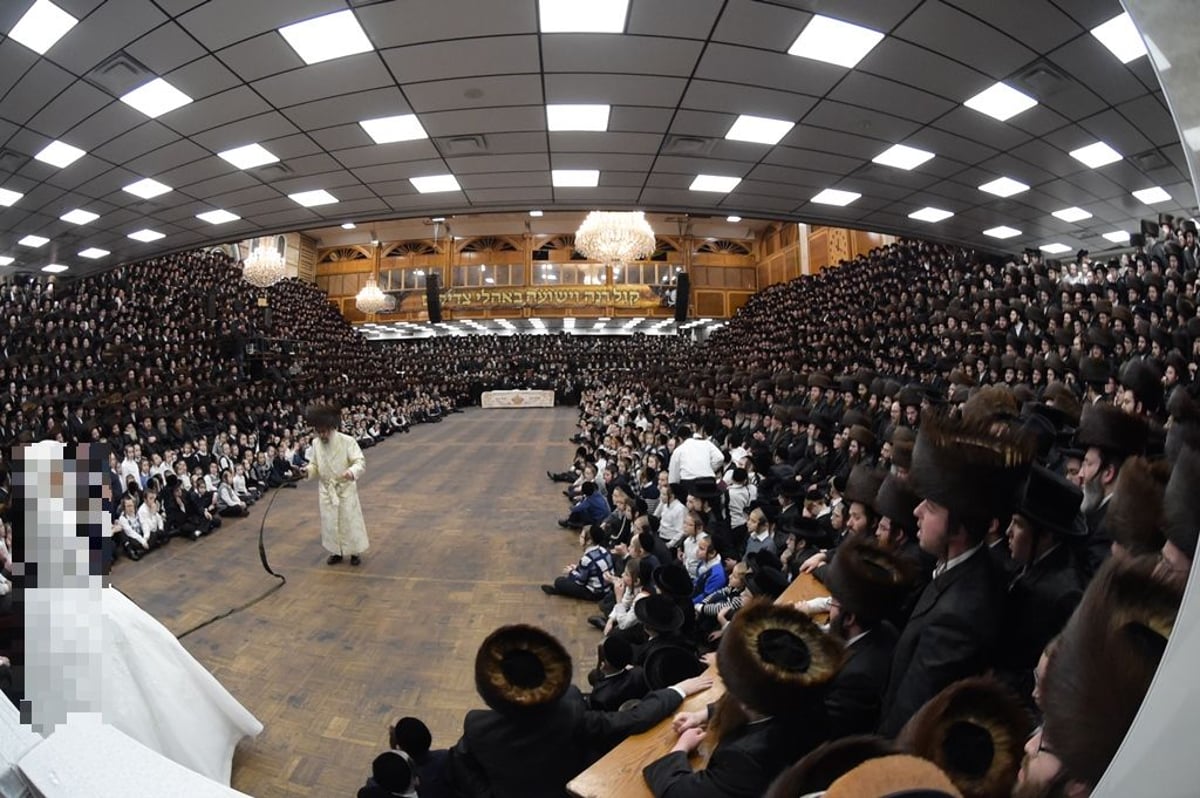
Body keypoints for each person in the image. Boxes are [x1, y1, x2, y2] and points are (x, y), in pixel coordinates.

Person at [448, 624, 712, 798]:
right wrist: (677, 689)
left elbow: (460, 762)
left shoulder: (476, 725)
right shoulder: (570, 713)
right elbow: (633, 719)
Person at [301, 404, 368, 566]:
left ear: (332, 428)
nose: (322, 435)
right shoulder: (316, 443)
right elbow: (315, 465)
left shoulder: (347, 441)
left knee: (349, 521)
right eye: (319, 431)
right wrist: (307, 471)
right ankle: (336, 551)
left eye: (325, 431)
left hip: (344, 488)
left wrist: (351, 472)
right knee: (330, 523)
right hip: (326, 491)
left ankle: (354, 551)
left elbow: (360, 461)